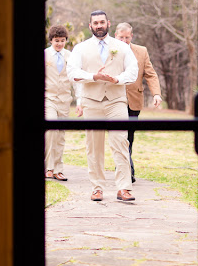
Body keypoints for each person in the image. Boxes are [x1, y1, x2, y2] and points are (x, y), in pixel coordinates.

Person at [67, 10, 138, 202]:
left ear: (109, 23)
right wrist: (93, 77)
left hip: (116, 101)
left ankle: (124, 188)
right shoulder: (81, 48)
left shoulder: (121, 47)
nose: (99, 25)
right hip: (92, 101)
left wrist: (118, 79)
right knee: (94, 145)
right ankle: (97, 187)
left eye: (102, 22)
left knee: (121, 142)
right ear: (90, 26)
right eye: (95, 23)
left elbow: (133, 70)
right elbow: (71, 72)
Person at [114, 22, 162, 183]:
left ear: (131, 36)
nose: (124, 40)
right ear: (116, 36)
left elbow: (150, 74)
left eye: (127, 37)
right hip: (114, 99)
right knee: (120, 135)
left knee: (129, 136)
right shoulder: (109, 50)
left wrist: (156, 94)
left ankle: (124, 165)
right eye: (121, 37)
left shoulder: (141, 51)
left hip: (134, 100)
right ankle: (127, 170)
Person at [44, 25, 80, 181]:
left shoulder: (70, 56)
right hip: (48, 98)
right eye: (56, 40)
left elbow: (75, 80)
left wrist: (80, 100)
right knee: (50, 130)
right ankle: (48, 167)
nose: (59, 43)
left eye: (62, 40)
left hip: (64, 100)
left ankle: (58, 168)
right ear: (51, 40)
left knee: (60, 135)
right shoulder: (45, 55)